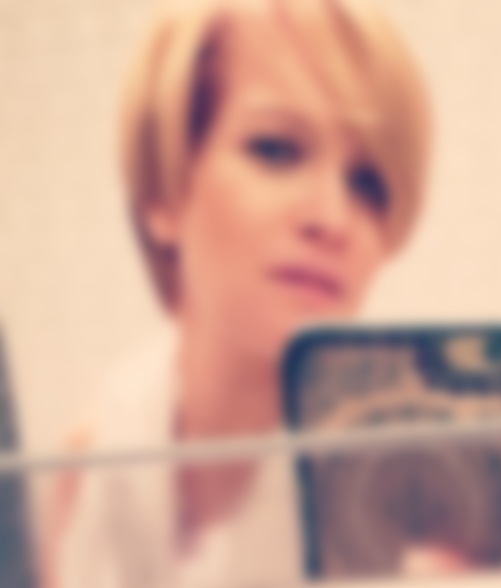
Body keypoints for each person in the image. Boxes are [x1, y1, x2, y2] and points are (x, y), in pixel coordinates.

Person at [43, 0, 435, 586]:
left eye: (368, 183)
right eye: (276, 150)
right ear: (163, 191)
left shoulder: (405, 498)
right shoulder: (93, 464)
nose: (333, 219)